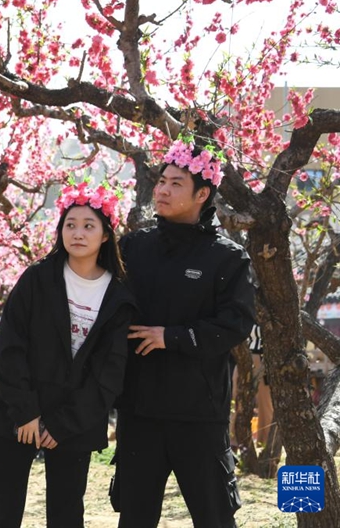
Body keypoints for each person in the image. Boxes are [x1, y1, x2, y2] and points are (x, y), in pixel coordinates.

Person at [113, 138, 256, 528]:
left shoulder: (226, 257)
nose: (161, 189)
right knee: (135, 517)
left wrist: (170, 337)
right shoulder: (133, 247)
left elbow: (235, 324)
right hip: (138, 411)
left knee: (214, 517)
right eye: (161, 181)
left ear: (202, 194)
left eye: (176, 183)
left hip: (199, 414)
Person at [0, 181, 136, 528]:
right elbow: (9, 347)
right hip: (18, 416)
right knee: (3, 509)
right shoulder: (37, 278)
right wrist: (26, 413)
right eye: (70, 224)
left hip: (75, 421)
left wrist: (63, 424)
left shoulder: (119, 297)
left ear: (106, 235)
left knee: (67, 513)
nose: (77, 233)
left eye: (88, 225)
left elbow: (109, 373)